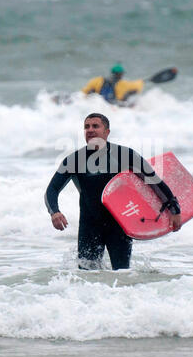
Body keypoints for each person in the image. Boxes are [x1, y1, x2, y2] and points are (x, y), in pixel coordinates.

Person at [45, 113, 181, 270]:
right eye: (86, 127)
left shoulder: (125, 155)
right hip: (90, 226)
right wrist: (54, 212)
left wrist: (174, 209)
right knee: (87, 278)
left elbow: (154, 182)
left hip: (119, 226)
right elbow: (52, 189)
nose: (90, 130)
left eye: (95, 126)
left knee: (122, 274)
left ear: (107, 131)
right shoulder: (75, 159)